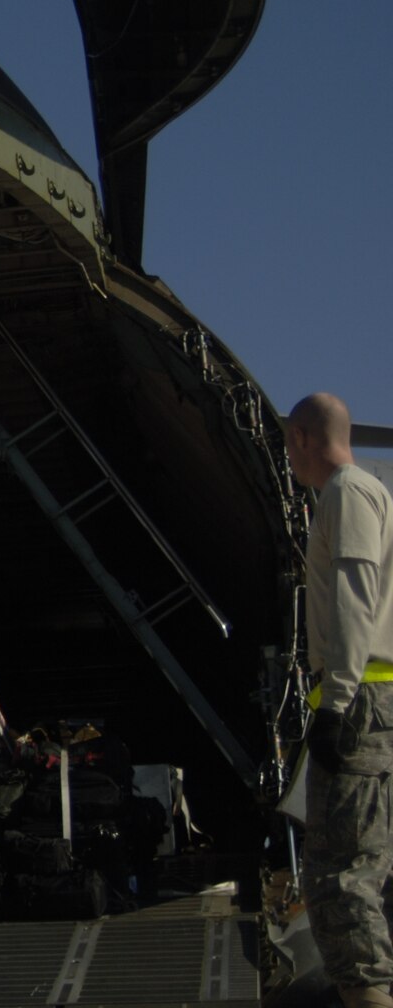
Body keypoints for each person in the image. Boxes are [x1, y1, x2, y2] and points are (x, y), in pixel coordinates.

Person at [291, 393, 393, 1008]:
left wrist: (335, 705)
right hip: (375, 700)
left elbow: (355, 601)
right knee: (367, 872)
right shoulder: (373, 491)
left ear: (303, 437)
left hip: (358, 705)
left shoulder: (346, 494)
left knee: (340, 879)